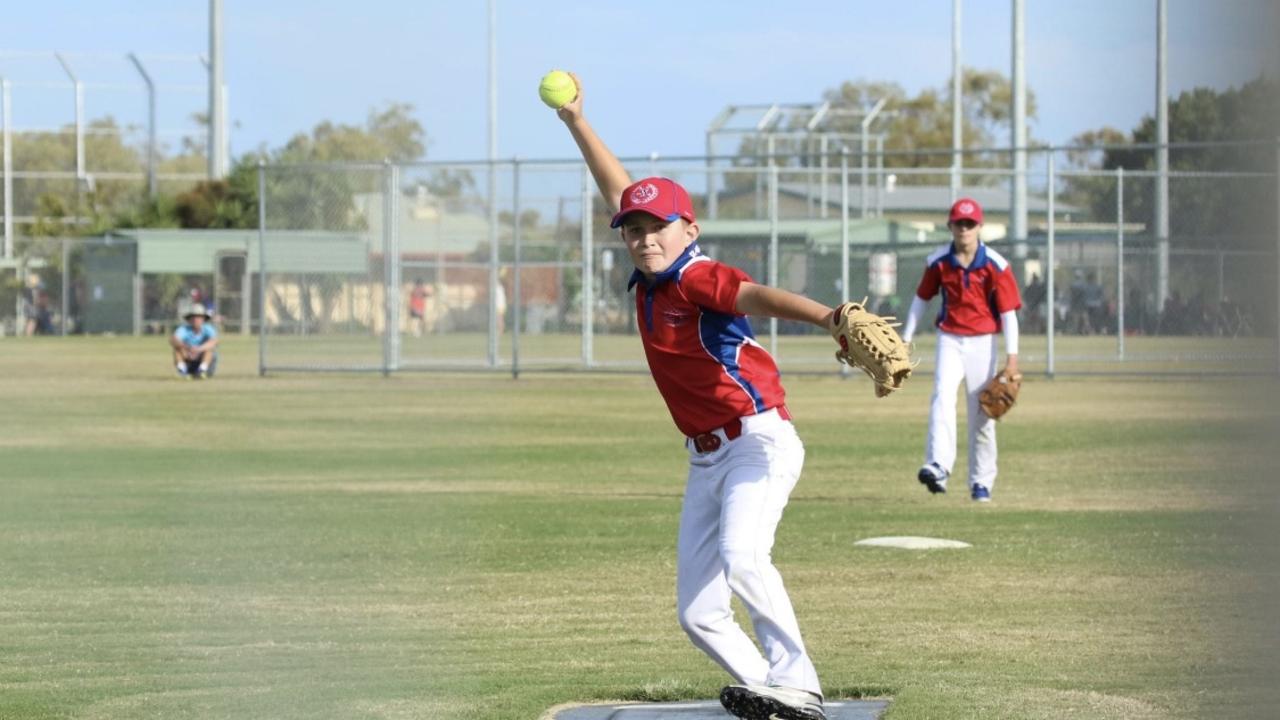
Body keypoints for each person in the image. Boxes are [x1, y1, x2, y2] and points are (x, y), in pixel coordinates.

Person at [554, 73, 842, 720]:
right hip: (705, 458)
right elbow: (616, 188)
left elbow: (755, 296)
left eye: (658, 226)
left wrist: (828, 319)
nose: (645, 237)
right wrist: (576, 122)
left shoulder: (695, 276)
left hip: (756, 440)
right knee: (699, 612)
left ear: (690, 228)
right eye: (634, 229)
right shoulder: (649, 273)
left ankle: (800, 681)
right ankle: (775, 696)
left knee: (745, 557)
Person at [901, 198, 1022, 502]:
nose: (964, 229)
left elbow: (1008, 313)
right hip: (950, 338)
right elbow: (921, 299)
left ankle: (981, 482)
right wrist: (905, 338)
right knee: (942, 395)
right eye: (959, 223)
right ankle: (939, 464)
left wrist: (1012, 361)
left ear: (980, 227)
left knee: (982, 412)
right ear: (950, 226)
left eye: (970, 224)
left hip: (983, 341)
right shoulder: (939, 261)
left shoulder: (996, 264)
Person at [169, 303, 219, 379]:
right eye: (194, 317)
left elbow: (214, 342)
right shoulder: (184, 329)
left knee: (209, 350)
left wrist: (198, 350)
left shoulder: (208, 329)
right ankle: (183, 371)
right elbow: (173, 340)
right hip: (189, 358)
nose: (196, 319)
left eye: (199, 317)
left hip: (204, 362)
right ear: (190, 319)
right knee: (177, 349)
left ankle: (202, 370)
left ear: (203, 319)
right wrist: (187, 348)